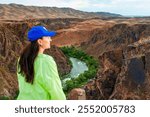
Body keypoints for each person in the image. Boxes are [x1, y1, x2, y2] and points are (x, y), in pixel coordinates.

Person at [17, 26, 66, 100]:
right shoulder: (46, 61)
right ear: (40, 41)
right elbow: (55, 89)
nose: (50, 39)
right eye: (47, 37)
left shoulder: (21, 59)